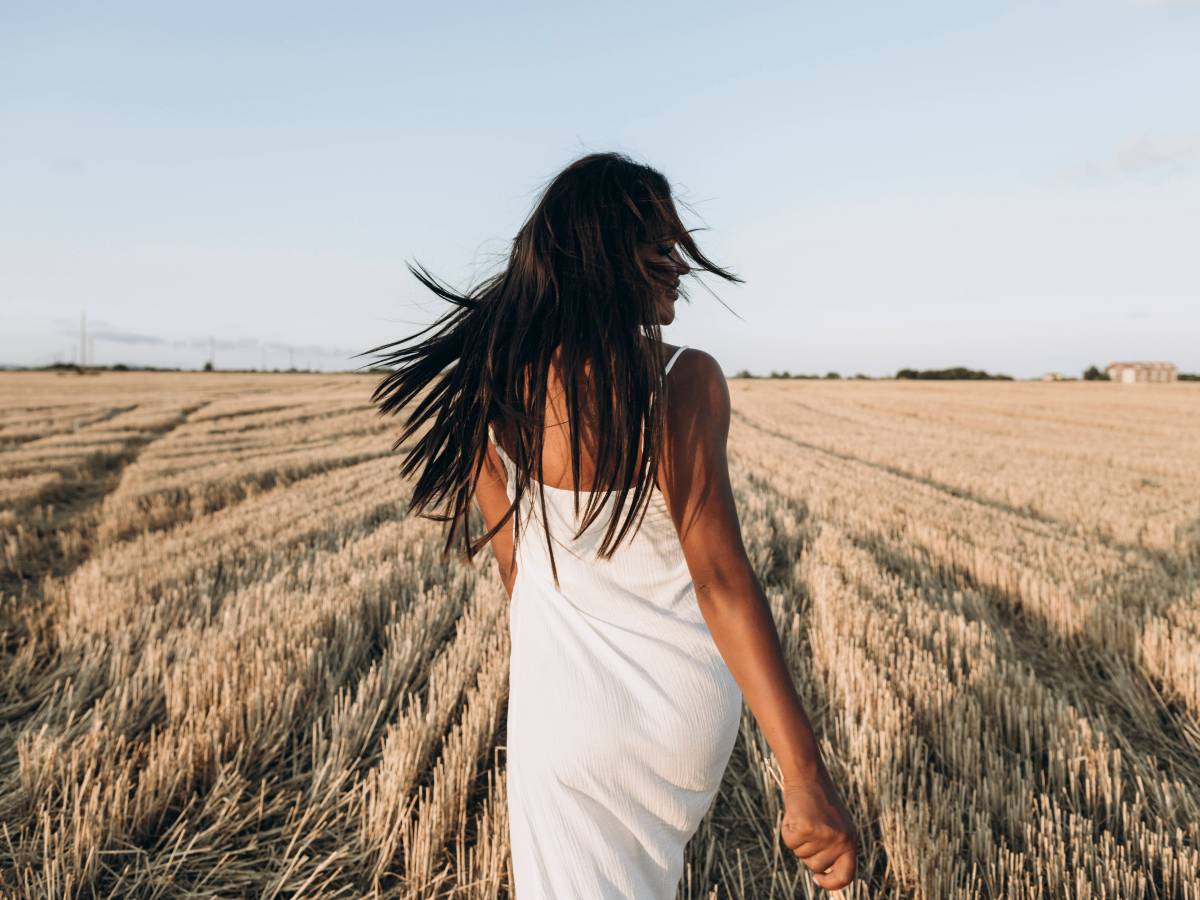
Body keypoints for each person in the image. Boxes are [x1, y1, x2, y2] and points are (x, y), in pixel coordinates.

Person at [366, 152, 858, 898]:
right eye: (662, 248)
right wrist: (804, 776)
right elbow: (720, 581)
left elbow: (516, 572)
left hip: (570, 721)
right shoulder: (680, 380)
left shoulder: (492, 385)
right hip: (680, 723)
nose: (680, 267)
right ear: (604, 256)